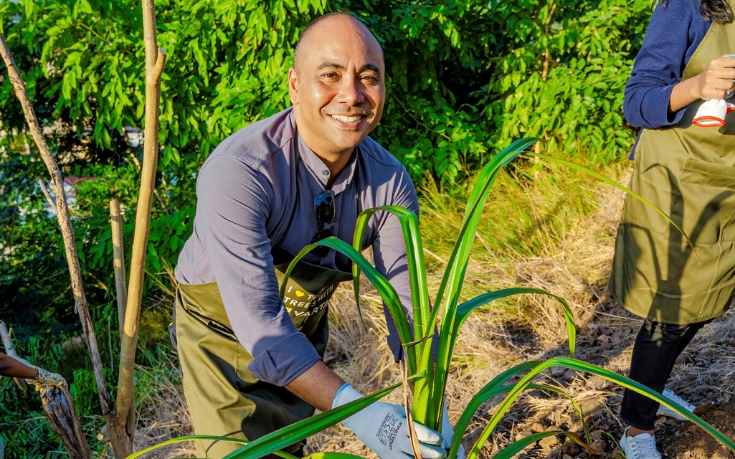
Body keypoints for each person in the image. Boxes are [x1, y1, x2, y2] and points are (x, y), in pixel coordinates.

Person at [172, 12, 460, 459]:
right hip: (222, 334)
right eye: (330, 75)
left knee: (288, 448)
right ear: (294, 85)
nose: (352, 95)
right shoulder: (240, 172)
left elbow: (410, 313)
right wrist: (362, 413)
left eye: (369, 77)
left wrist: (433, 408)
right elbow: (262, 328)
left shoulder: (389, 183)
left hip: (302, 324)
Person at [609, 0, 735, 458]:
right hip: (681, 179)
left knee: (711, 300)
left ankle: (651, 393)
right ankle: (636, 427)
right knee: (674, 309)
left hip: (730, 179)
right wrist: (698, 86)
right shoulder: (687, 6)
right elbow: (636, 101)